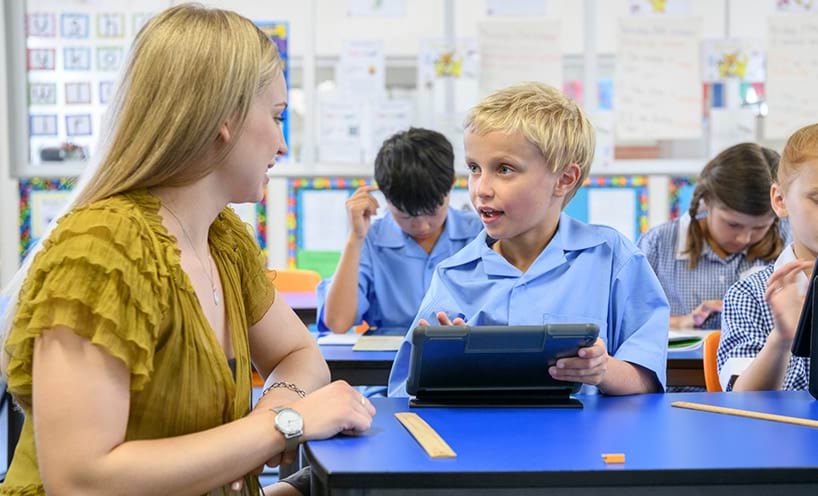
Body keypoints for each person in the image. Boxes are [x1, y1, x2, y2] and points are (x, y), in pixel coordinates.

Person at [0, 5, 374, 496]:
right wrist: (283, 427)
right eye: (278, 117)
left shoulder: (222, 237)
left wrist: (274, 418)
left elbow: (300, 354)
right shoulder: (103, 249)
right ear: (225, 119)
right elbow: (81, 480)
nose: (282, 145)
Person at [388, 82, 670, 397]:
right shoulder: (454, 276)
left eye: (504, 169)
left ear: (564, 179)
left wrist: (602, 370)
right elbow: (405, 393)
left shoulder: (612, 258)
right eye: (474, 168)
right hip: (484, 441)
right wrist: (443, 369)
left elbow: (646, 379)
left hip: (586, 443)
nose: (481, 188)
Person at [317, 128, 482, 334]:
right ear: (384, 196)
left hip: (464, 360)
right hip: (387, 362)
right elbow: (337, 323)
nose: (422, 226)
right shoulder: (370, 239)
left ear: (451, 183)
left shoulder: (480, 234)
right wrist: (355, 238)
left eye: (432, 212)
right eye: (406, 216)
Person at [637, 143, 785, 330]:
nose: (744, 238)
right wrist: (682, 322)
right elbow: (627, 320)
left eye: (760, 227)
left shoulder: (790, 239)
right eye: (733, 224)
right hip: (681, 360)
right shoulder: (657, 244)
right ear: (706, 200)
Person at [718, 123, 818, 391]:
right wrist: (782, 340)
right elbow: (741, 399)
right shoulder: (750, 294)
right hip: (778, 432)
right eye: (817, 199)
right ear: (780, 200)